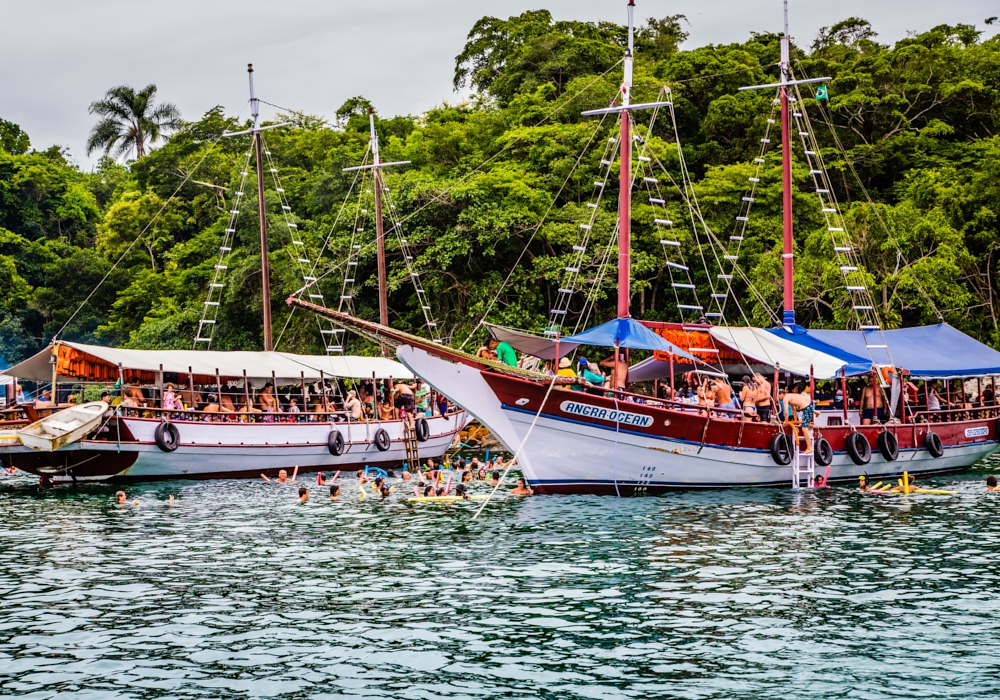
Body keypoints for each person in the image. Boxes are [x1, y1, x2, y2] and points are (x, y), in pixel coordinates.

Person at [783, 385, 814, 455]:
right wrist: (795, 421)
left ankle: (809, 447)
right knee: (804, 426)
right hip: (809, 404)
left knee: (804, 428)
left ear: (782, 394)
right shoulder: (791, 396)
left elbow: (786, 412)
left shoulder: (785, 398)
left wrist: (786, 422)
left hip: (807, 407)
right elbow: (794, 410)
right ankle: (809, 447)